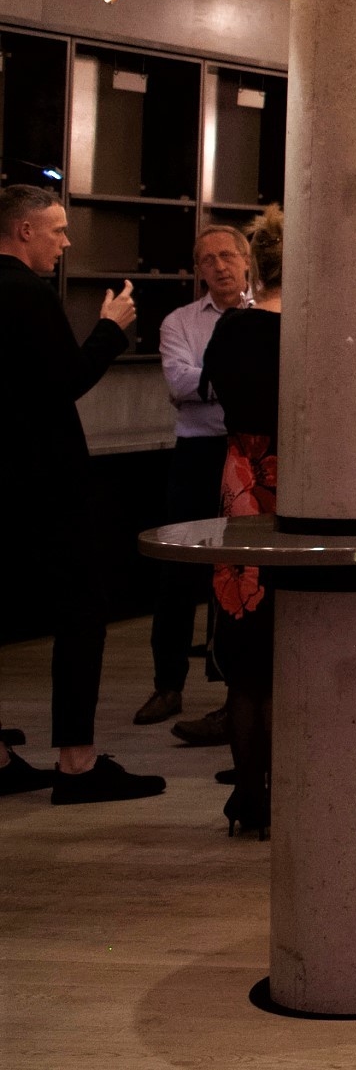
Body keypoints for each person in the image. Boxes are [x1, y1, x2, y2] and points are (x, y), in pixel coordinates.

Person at [0, 185, 158, 803]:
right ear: (24, 232)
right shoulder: (27, 294)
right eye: (58, 231)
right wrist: (110, 330)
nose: (66, 244)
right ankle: (77, 762)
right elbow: (64, 381)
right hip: (47, 484)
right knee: (82, 611)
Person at [140, 222, 252, 729]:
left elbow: (202, 381)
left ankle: (234, 691)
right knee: (178, 570)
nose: (220, 266)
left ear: (247, 261)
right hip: (196, 454)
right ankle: (167, 685)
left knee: (237, 573)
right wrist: (237, 381)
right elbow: (180, 382)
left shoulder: (270, 314)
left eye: (228, 255)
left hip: (247, 452)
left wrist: (213, 380)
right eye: (208, 259)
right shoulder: (178, 322)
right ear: (198, 269)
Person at [202, 208, 285, 838]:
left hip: (241, 488)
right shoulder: (319, 333)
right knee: (295, 643)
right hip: (298, 490)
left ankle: (248, 795)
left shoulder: (231, 329)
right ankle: (288, 788)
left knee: (248, 651)